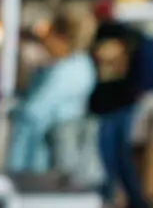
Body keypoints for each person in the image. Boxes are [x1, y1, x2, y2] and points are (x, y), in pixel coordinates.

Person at [9, 10, 97, 176]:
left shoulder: (70, 70)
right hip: (47, 153)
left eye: (49, 35)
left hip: (47, 156)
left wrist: (12, 107)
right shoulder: (71, 66)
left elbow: (34, 110)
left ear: (62, 38)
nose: (44, 41)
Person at [89, 2, 153, 208]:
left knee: (106, 157)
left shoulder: (101, 36)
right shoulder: (131, 36)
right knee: (121, 155)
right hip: (126, 104)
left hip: (107, 106)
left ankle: (105, 202)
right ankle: (137, 202)